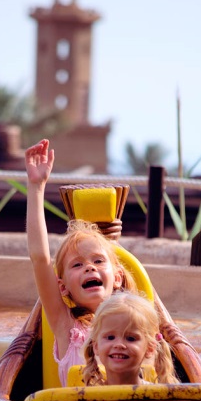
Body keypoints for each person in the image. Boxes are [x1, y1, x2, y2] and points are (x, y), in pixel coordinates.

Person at [25, 138, 137, 386]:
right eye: (77, 265)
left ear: (117, 277)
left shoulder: (134, 327)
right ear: (63, 286)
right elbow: (40, 258)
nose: (90, 267)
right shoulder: (66, 327)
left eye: (98, 260)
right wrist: (36, 186)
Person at [83, 292, 179, 386]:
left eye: (130, 338)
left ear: (150, 347)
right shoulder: (85, 397)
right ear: (96, 346)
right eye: (110, 337)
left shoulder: (156, 397)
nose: (119, 344)